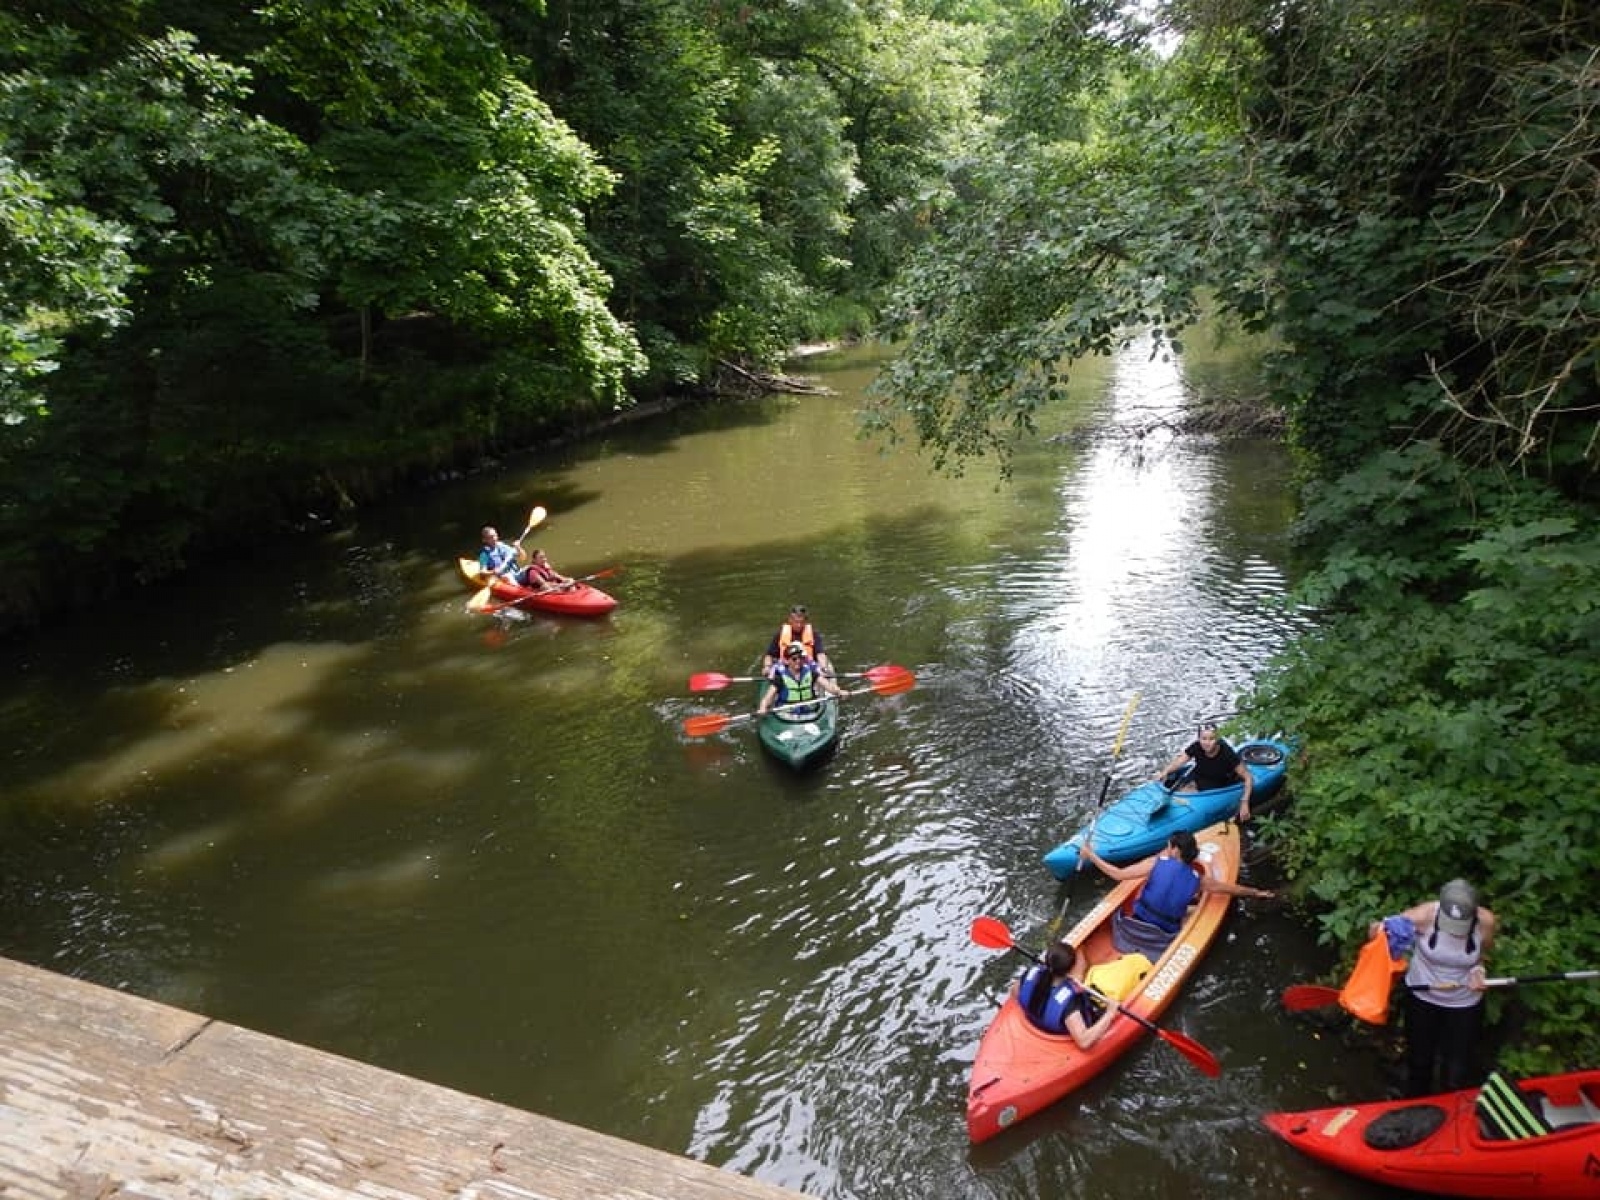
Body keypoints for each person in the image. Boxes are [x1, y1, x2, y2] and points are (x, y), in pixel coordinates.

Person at [1374, 879, 1497, 1097]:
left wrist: (1479, 972)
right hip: (1422, 998)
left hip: (1464, 1003)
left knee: (1456, 1068)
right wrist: (1385, 930)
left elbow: (1482, 955)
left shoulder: (1486, 922)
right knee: (1420, 1061)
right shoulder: (1423, 916)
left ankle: (1450, 1109)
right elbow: (1375, 934)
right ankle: (1415, 1103)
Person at [1084, 830, 1274, 958]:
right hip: (1162, 939)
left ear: (1175, 850)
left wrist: (1091, 855)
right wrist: (1256, 892)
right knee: (1192, 906)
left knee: (1149, 890)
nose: (1166, 850)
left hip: (1131, 927)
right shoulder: (1199, 880)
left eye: (1168, 846)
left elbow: (1117, 874)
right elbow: (1230, 889)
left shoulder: (1155, 863)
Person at [1016, 939, 1120, 1049]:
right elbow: (1084, 1042)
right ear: (1071, 969)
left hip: (1037, 1022)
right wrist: (1110, 1013)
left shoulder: (1031, 974)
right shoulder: (1070, 1002)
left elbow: (1015, 992)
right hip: (1060, 1035)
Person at [1156, 722, 1256, 822]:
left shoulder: (1227, 753)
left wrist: (1244, 802)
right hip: (1198, 779)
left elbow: (1248, 777)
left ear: (1217, 739)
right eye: (1203, 738)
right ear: (1199, 738)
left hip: (1219, 785)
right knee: (1179, 794)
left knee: (1186, 803)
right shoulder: (1196, 746)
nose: (1207, 743)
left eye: (1211, 739)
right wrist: (1165, 771)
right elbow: (1180, 761)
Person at [757, 640, 844, 718]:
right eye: (794, 659)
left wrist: (839, 692)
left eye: (800, 658)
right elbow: (768, 697)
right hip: (787, 714)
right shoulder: (780, 678)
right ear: (787, 661)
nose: (798, 661)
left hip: (810, 712)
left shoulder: (811, 672)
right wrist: (763, 707)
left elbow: (828, 686)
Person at [762, 604, 834, 679]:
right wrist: (767, 667)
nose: (799, 625)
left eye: (801, 622)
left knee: (823, 668)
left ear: (805, 621)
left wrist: (823, 667)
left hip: (808, 668)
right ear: (790, 620)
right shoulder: (780, 634)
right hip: (786, 669)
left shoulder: (813, 634)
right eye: (796, 622)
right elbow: (769, 655)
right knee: (773, 673)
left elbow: (820, 654)